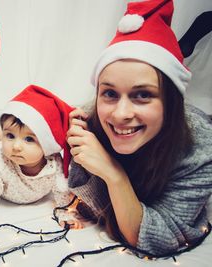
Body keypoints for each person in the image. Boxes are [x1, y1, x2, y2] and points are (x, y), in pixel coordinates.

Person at [67, 0, 212, 256]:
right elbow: (90, 203)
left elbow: (159, 238)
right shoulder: (92, 118)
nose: (120, 114)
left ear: (171, 102)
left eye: (143, 94)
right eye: (109, 92)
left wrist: (113, 174)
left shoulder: (201, 150)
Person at [0, 85, 81, 237]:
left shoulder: (54, 163)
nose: (16, 146)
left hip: (7, 154)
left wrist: (65, 213)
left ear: (47, 145)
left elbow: (61, 190)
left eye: (29, 139)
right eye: (9, 135)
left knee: (11, 146)